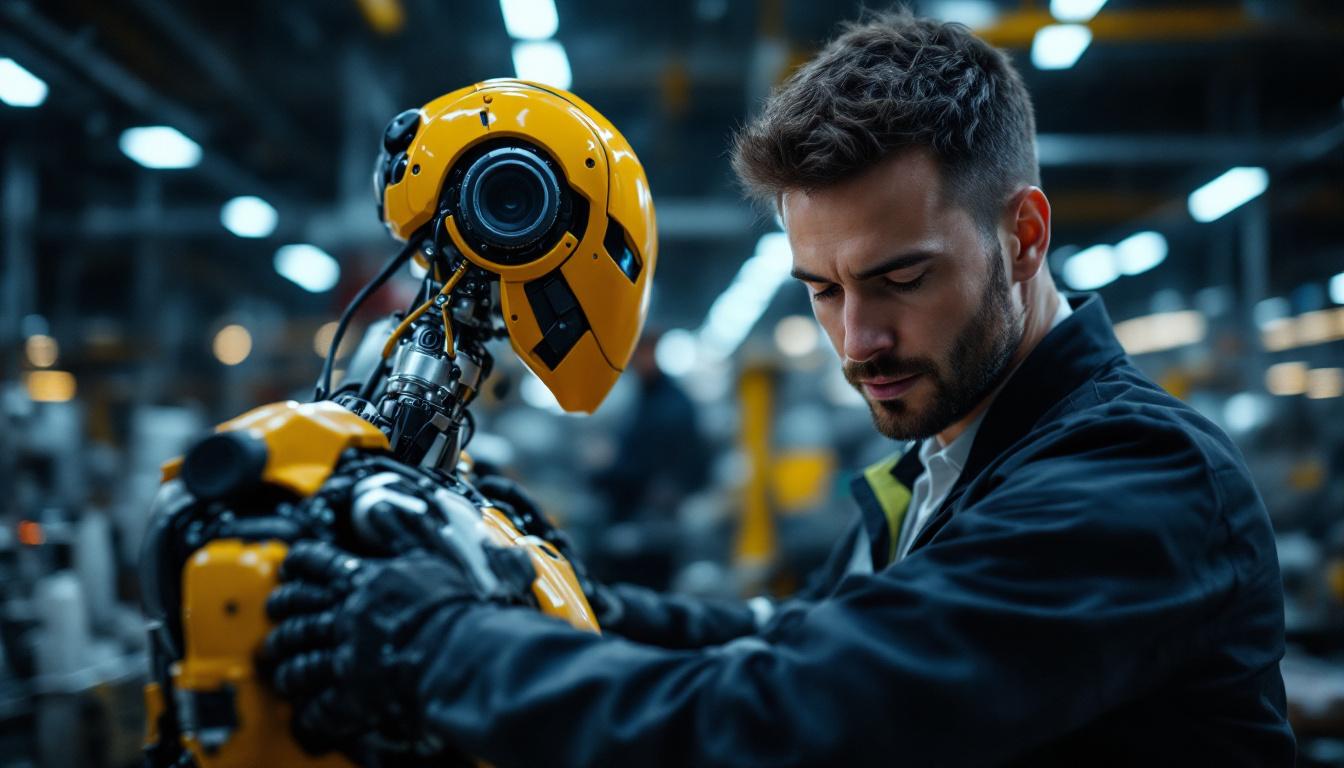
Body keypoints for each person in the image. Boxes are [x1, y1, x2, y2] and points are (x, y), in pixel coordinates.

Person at [263, 12, 1294, 766]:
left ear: (1022, 236)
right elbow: (801, 636)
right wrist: (539, 597)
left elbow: (801, 715)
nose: (859, 338)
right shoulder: (945, 462)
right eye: (822, 290)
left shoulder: (1134, 479)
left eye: (902, 279)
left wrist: (440, 642)